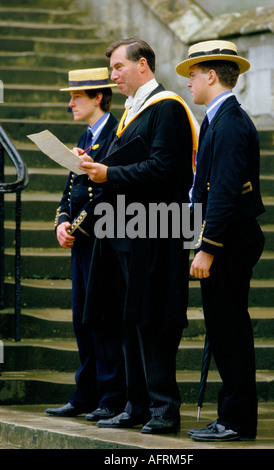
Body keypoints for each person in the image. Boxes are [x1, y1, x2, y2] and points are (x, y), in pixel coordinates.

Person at [77, 38, 199, 434]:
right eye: (111, 69)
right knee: (126, 318)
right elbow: (123, 162)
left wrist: (108, 173)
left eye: (117, 67)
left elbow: (165, 168)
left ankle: (164, 408)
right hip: (124, 226)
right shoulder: (131, 110)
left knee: (153, 318)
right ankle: (136, 404)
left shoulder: (168, 108)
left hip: (157, 228)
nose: (112, 76)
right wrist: (94, 164)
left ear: (142, 65)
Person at [175, 40, 265, 441]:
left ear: (211, 75)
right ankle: (231, 417)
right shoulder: (218, 118)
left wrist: (207, 248)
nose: (189, 84)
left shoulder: (229, 122)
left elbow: (226, 191)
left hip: (227, 241)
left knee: (229, 332)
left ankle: (236, 421)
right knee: (225, 329)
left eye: (193, 76)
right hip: (224, 237)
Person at [45, 67, 126, 420]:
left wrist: (79, 224)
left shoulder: (116, 134)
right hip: (80, 242)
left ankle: (111, 397)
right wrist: (62, 221)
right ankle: (85, 394)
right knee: (82, 319)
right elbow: (70, 190)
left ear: (97, 97)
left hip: (103, 241)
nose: (70, 103)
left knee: (104, 319)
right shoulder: (88, 133)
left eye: (76, 96)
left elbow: (111, 190)